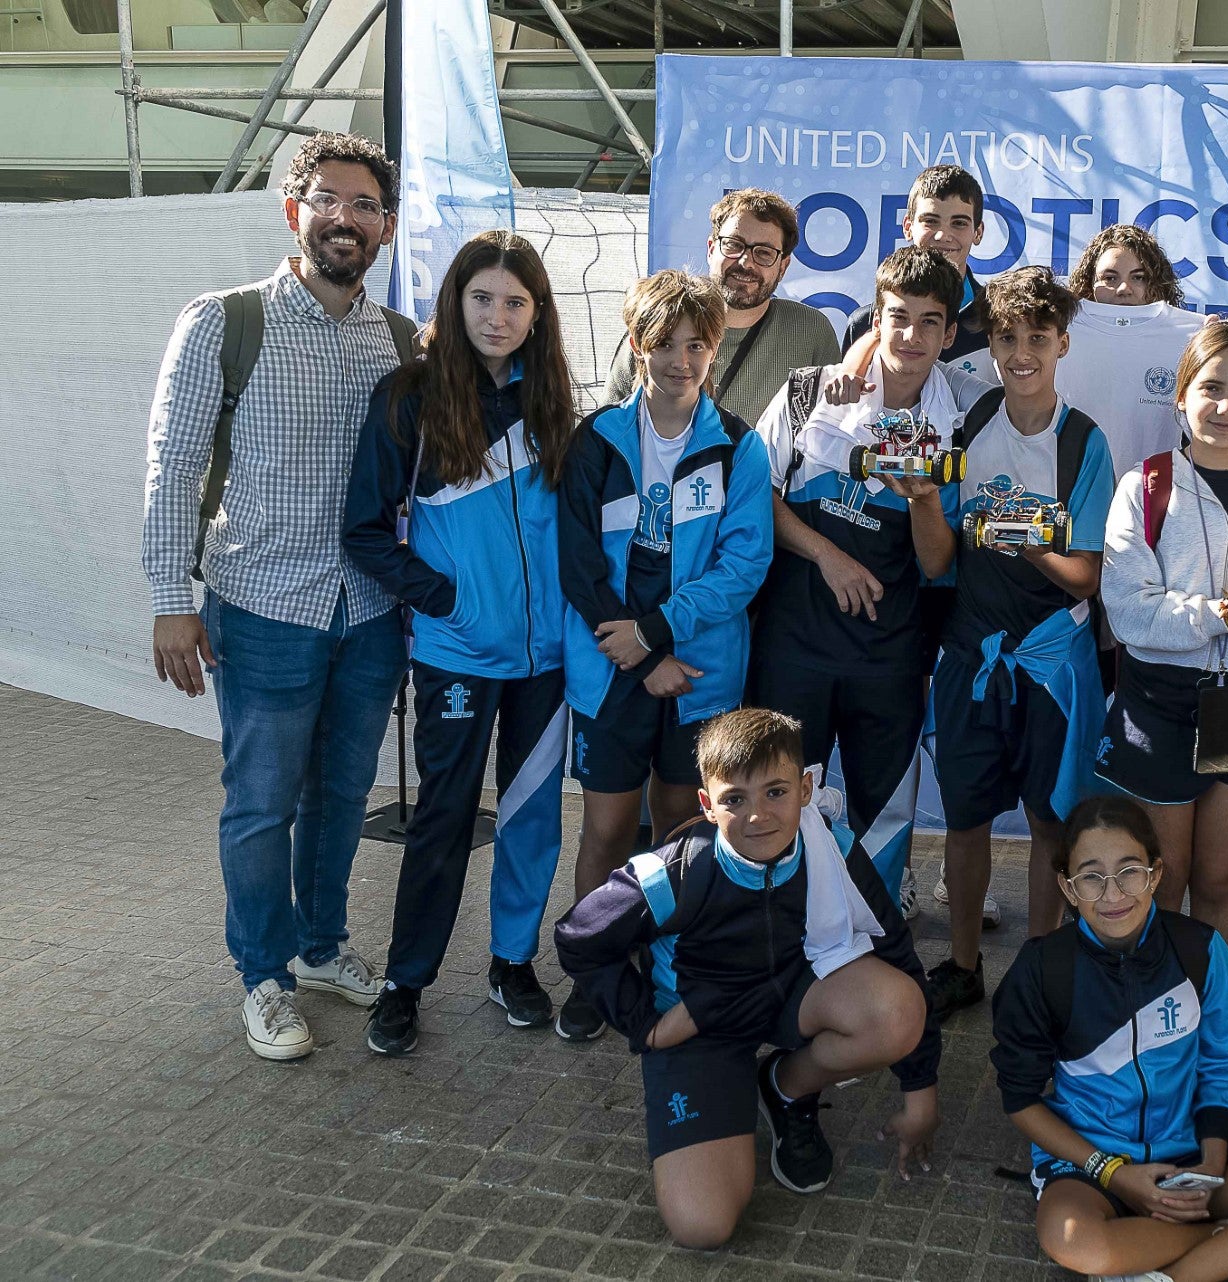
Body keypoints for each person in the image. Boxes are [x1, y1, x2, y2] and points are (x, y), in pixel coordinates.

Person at [142, 132, 414, 1060]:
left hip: (369, 613)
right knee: (262, 802)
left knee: (342, 794)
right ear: (294, 211)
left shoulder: (401, 340)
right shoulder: (226, 321)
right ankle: (262, 975)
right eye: (328, 200)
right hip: (263, 606)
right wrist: (169, 598)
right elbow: (173, 465)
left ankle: (319, 947)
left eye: (366, 205)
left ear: (385, 227)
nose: (347, 218)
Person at [553, 709, 942, 1248]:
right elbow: (577, 938)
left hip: (795, 998)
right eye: (735, 798)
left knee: (896, 1010)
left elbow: (898, 954)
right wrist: (646, 1025)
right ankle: (727, 1088)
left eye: (776, 792)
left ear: (805, 789)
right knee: (703, 1225)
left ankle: (785, 1087)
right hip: (703, 1028)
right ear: (706, 804)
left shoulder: (833, 846)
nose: (757, 815)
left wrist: (920, 1090)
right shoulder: (674, 872)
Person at [342, 231, 575, 1054]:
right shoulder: (409, 396)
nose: (497, 316)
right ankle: (406, 982)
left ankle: (513, 962)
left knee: (532, 814)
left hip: (547, 662)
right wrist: (447, 601)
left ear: (537, 312)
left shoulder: (552, 403)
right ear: (456, 300)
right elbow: (365, 532)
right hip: (457, 655)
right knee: (442, 819)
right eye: (482, 298)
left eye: (515, 301)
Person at [991, 795, 1228, 1282]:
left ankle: (1172, 1267)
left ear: (1155, 874)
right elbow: (1020, 1100)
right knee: (1074, 1241)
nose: (1113, 894)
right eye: (1091, 877)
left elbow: (1219, 1066)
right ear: (1068, 887)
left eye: (1130, 872)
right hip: (1092, 1164)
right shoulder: (1042, 967)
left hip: (1189, 1156)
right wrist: (1114, 1173)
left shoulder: (1201, 949)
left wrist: (1212, 1164)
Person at [554, 269, 774, 1041]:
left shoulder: (739, 446)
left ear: (715, 349)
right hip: (613, 670)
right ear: (637, 344)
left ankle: (669, 971)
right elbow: (578, 564)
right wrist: (643, 655)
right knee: (608, 831)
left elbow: (744, 565)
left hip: (699, 677)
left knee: (680, 833)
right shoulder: (596, 439)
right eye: (665, 344)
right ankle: (595, 971)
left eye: (698, 345)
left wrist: (658, 632)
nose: (682, 361)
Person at [750, 247, 992, 915]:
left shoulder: (961, 422)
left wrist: (924, 500)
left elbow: (938, 565)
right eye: (898, 317)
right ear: (875, 319)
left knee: (881, 817)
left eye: (929, 322)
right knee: (775, 797)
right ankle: (774, 934)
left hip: (889, 656)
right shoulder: (809, 391)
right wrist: (827, 554)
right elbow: (756, 499)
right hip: (793, 645)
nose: (911, 335)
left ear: (949, 333)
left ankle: (875, 940)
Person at [922, 266, 1115, 1021]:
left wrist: (1025, 540)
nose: (1021, 353)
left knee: (1048, 821)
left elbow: (1086, 578)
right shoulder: (967, 424)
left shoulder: (1084, 441)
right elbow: (936, 561)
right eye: (1007, 338)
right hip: (972, 654)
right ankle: (963, 963)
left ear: (1063, 343)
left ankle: (1038, 968)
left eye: (1038, 337)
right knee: (965, 819)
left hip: (1050, 661)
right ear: (991, 345)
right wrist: (924, 502)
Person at [1098, 318, 1228, 949]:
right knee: (1161, 880)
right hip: (1159, 698)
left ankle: (1210, 1004)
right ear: (1181, 394)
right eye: (1212, 388)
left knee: (1221, 880)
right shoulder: (1145, 484)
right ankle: (1153, 999)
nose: (1226, 407)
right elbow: (1131, 614)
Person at [602, 188, 841, 422]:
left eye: (764, 253)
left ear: (783, 267)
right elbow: (606, 429)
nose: (746, 262)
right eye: (734, 245)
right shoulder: (658, 322)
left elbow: (831, 427)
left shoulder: (811, 331)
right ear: (711, 249)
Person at [1057, 223, 1205, 479]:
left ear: (1155, 282)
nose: (1124, 288)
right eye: (1110, 278)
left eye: (1138, 277)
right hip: (1074, 491)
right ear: (1090, 281)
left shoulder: (1192, 335)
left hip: (1152, 492)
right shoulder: (1060, 326)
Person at [841, 164, 993, 379]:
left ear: (978, 232)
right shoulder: (864, 322)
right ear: (907, 227)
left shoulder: (996, 320)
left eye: (959, 223)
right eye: (930, 221)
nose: (942, 235)